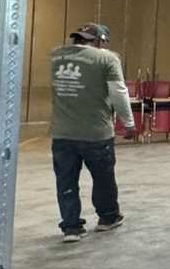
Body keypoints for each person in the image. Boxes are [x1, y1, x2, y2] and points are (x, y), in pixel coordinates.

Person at [50, 22, 135, 243]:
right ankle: (108, 218)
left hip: (62, 132)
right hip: (96, 132)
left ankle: (71, 228)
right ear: (100, 41)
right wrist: (129, 123)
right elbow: (118, 93)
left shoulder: (56, 56)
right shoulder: (107, 59)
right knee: (103, 177)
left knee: (66, 181)